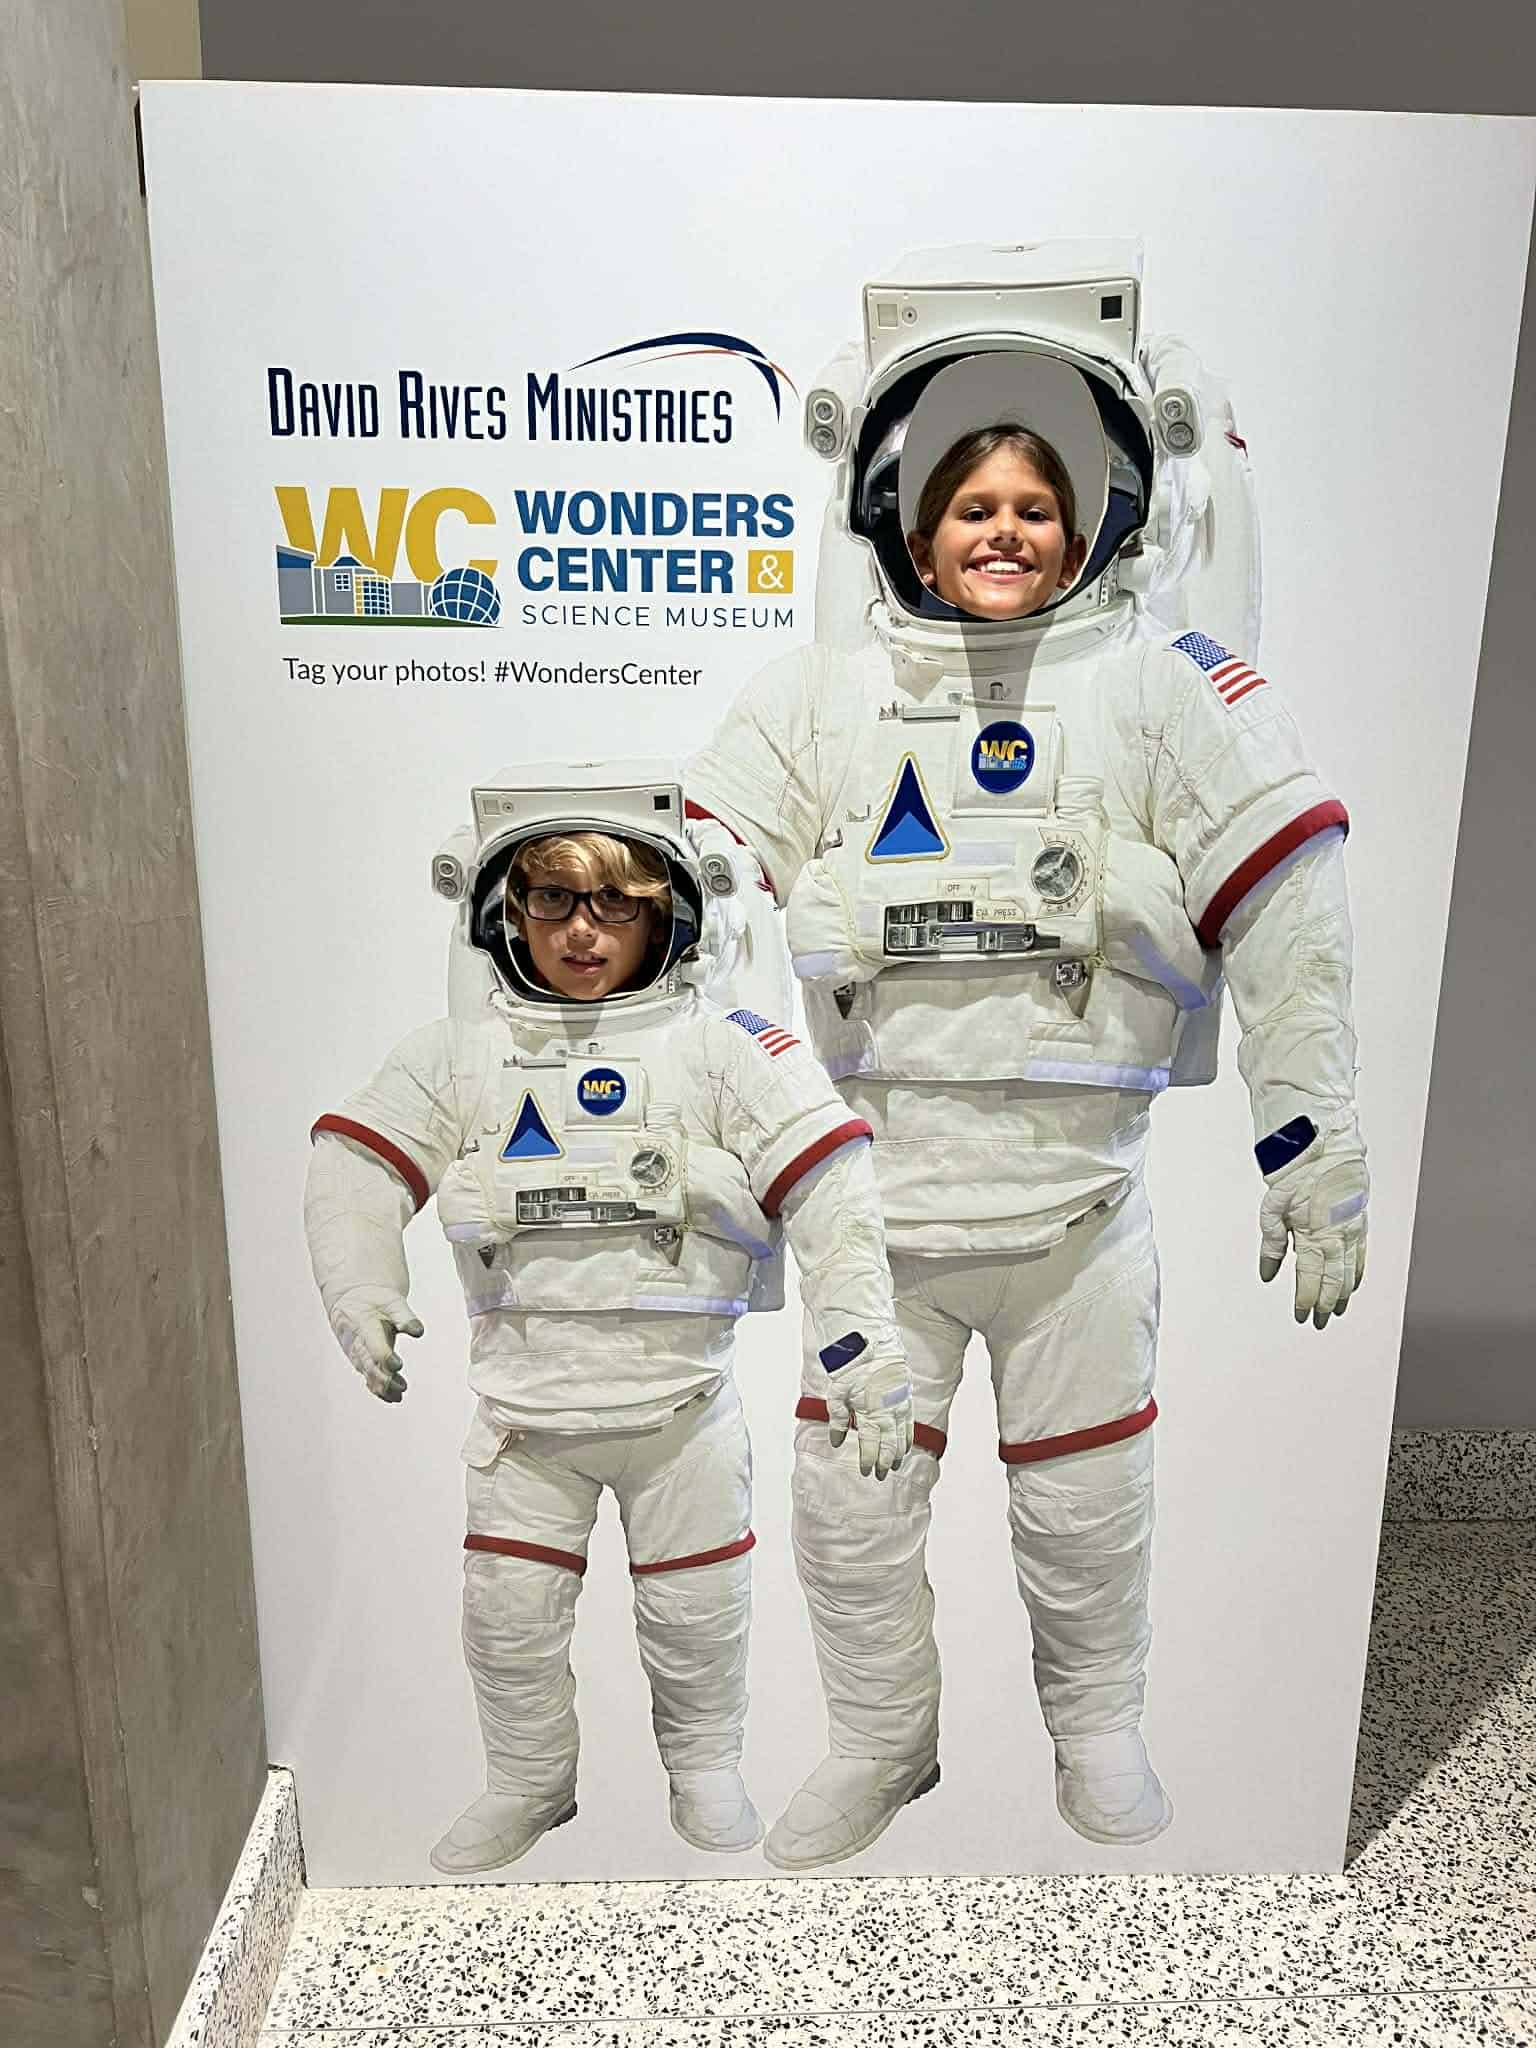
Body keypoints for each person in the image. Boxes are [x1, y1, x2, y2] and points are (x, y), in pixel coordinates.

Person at [688, 244, 1368, 1870]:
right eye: (970, 505)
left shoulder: (1164, 694)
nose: (1003, 530)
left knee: (1083, 1506)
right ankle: (882, 1739)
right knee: (850, 1514)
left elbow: (1288, 900)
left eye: (1036, 506)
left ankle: (1094, 1728)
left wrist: (1314, 1147)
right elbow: (695, 892)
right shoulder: (818, 703)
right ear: (909, 524)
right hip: (881, 1219)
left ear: (1097, 521)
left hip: (1076, 1216)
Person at [303, 761, 912, 1876]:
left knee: (696, 1613)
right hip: (526, 1419)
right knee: (509, 1619)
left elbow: (831, 1189)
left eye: (616, 904)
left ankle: (705, 1767)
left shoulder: (725, 1048)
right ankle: (529, 1780)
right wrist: (360, 1285)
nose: (583, 932)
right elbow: (356, 1163)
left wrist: (863, 1353)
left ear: (664, 914)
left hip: (681, 1413)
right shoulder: (460, 1056)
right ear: (507, 911)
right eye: (554, 899)